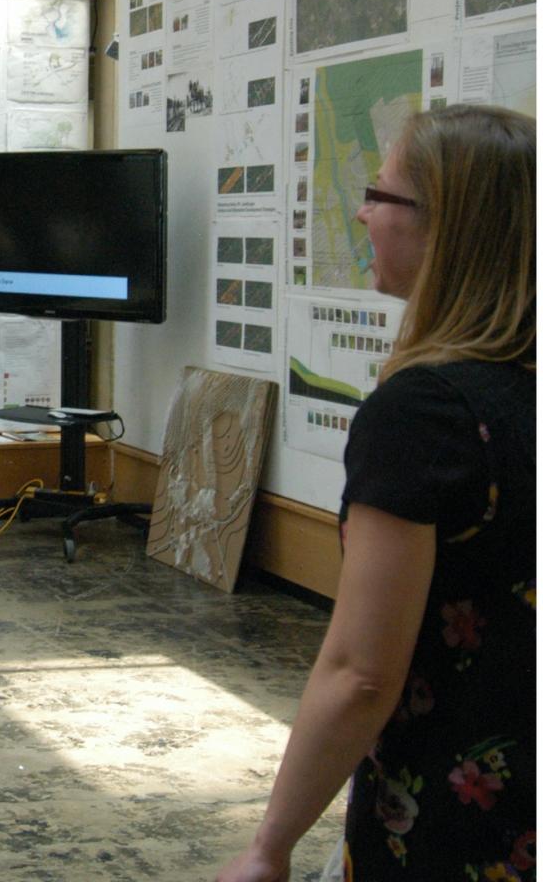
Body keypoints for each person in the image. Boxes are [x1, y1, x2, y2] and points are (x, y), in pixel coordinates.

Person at [216, 105, 535, 882]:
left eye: (379, 194)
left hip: (452, 821)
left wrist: (269, 846)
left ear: (442, 225)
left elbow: (362, 672)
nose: (359, 211)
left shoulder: (423, 412)